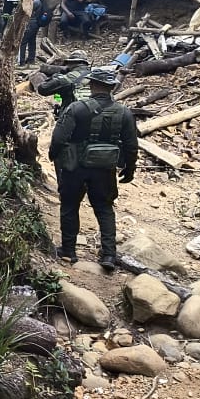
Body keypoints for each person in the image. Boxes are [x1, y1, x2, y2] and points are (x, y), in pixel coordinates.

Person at [49, 66, 138, 271]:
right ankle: (108, 254)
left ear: (92, 85)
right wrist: (129, 168)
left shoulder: (76, 108)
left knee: (70, 206)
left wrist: (54, 156)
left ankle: (69, 251)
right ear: (111, 88)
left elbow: (59, 138)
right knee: (105, 208)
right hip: (105, 169)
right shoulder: (124, 113)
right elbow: (131, 145)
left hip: (75, 167)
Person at [36, 50, 91, 115]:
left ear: (71, 63)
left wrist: (56, 76)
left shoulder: (67, 78)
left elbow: (42, 89)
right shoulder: (96, 77)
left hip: (71, 118)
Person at [19, 0, 46, 67]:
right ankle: (31, 59)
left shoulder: (36, 2)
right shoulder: (40, 0)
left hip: (31, 23)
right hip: (35, 24)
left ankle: (21, 61)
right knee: (32, 41)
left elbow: (25, 9)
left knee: (23, 42)